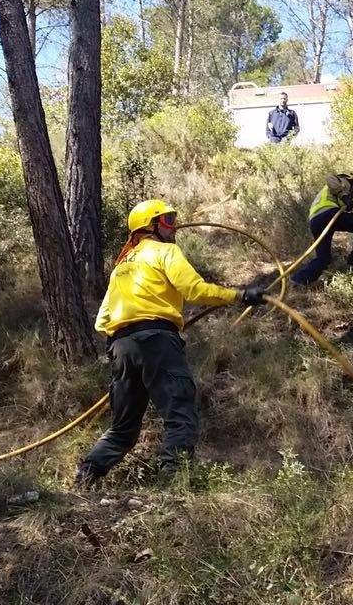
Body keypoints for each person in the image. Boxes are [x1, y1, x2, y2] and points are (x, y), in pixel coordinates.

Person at [75, 199, 266, 488]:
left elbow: (101, 321)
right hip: (157, 342)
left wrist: (128, 341)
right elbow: (194, 289)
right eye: (167, 220)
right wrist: (239, 296)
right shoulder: (165, 251)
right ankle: (173, 485)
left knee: (123, 428)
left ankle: (85, 477)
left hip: (120, 347)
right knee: (180, 414)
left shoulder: (121, 266)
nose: (173, 227)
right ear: (150, 226)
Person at [290, 173, 353, 286]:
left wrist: (352, 205)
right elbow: (329, 177)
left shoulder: (334, 192)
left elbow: (345, 210)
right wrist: (345, 196)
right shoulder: (342, 182)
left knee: (324, 259)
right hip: (328, 214)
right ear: (351, 182)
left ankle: (298, 280)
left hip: (316, 220)